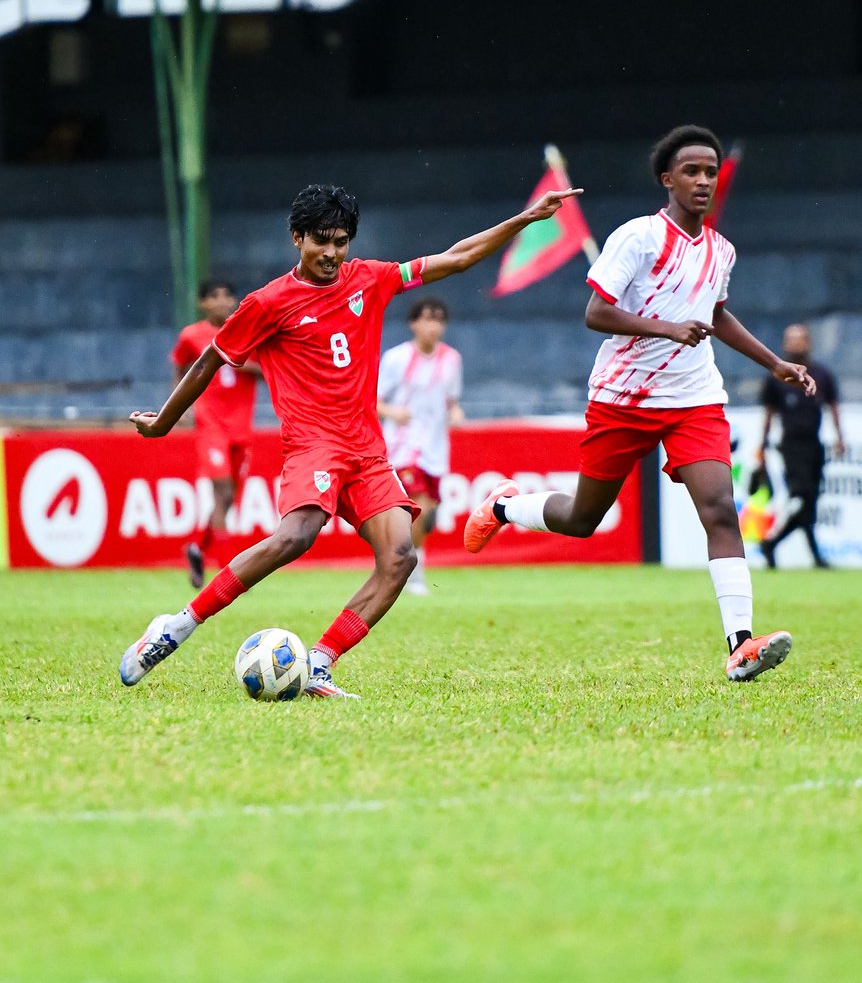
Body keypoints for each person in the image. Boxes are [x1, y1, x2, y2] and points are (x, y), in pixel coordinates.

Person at [120, 180, 580, 698]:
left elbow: (455, 259)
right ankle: (176, 626)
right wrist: (163, 421)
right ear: (297, 238)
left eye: (341, 241)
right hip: (313, 445)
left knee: (401, 556)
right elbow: (211, 360)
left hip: (366, 450)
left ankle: (319, 663)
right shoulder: (267, 303)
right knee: (296, 536)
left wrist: (524, 220)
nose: (333, 253)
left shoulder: (370, 278)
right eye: (321, 240)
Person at [464, 125, 815, 683]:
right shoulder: (638, 237)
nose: (703, 180)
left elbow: (716, 313)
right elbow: (595, 313)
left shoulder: (721, 250)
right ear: (667, 179)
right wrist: (667, 329)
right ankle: (504, 506)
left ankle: (741, 644)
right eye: (692, 171)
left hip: (695, 399)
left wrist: (773, 363)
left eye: (710, 171)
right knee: (583, 519)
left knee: (720, 508)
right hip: (623, 397)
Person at [171, 279, 260, 590]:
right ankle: (228, 574)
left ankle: (196, 547)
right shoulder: (191, 335)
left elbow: (266, 368)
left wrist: (237, 361)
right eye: (214, 297)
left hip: (241, 428)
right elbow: (180, 365)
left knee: (229, 498)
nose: (223, 302)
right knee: (221, 493)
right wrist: (178, 406)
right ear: (202, 304)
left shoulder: (247, 331)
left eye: (228, 295)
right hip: (211, 426)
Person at [377, 297, 464, 596]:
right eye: (427, 319)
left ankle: (398, 562)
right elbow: (372, 400)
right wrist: (393, 413)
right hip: (403, 447)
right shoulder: (396, 358)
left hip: (436, 450)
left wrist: (454, 411)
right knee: (420, 508)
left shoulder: (452, 359)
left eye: (438, 320)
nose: (433, 326)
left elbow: (450, 398)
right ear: (414, 323)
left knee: (428, 515)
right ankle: (412, 572)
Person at [757, 322, 844, 569]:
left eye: (800, 338)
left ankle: (786, 549)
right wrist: (761, 448)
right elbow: (768, 415)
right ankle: (775, 543)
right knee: (802, 496)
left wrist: (840, 438)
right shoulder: (776, 377)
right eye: (790, 339)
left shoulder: (822, 374)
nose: (795, 344)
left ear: (808, 342)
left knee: (810, 500)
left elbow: (833, 406)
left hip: (814, 444)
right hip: (791, 445)